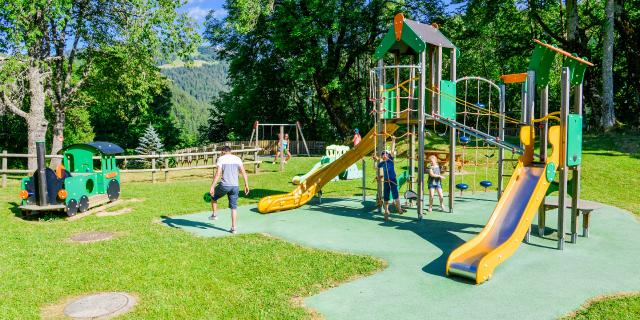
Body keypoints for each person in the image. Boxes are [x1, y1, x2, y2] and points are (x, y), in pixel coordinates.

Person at [209, 146, 250, 234]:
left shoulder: (221, 159)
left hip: (224, 185)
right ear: (230, 151)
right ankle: (234, 228)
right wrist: (246, 185)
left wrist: (212, 186)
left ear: (223, 151)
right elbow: (243, 172)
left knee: (212, 196)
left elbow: (218, 174)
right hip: (235, 186)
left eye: (221, 152)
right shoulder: (237, 159)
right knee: (233, 208)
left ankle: (214, 215)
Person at [375, 150, 405, 221]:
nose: (384, 155)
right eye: (383, 154)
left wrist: (393, 141)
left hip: (392, 180)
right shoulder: (382, 163)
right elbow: (376, 167)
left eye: (386, 154)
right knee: (386, 197)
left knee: (396, 195)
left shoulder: (390, 160)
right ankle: (386, 211)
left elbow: (392, 151)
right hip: (386, 182)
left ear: (388, 156)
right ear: (382, 157)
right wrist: (375, 160)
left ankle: (399, 208)